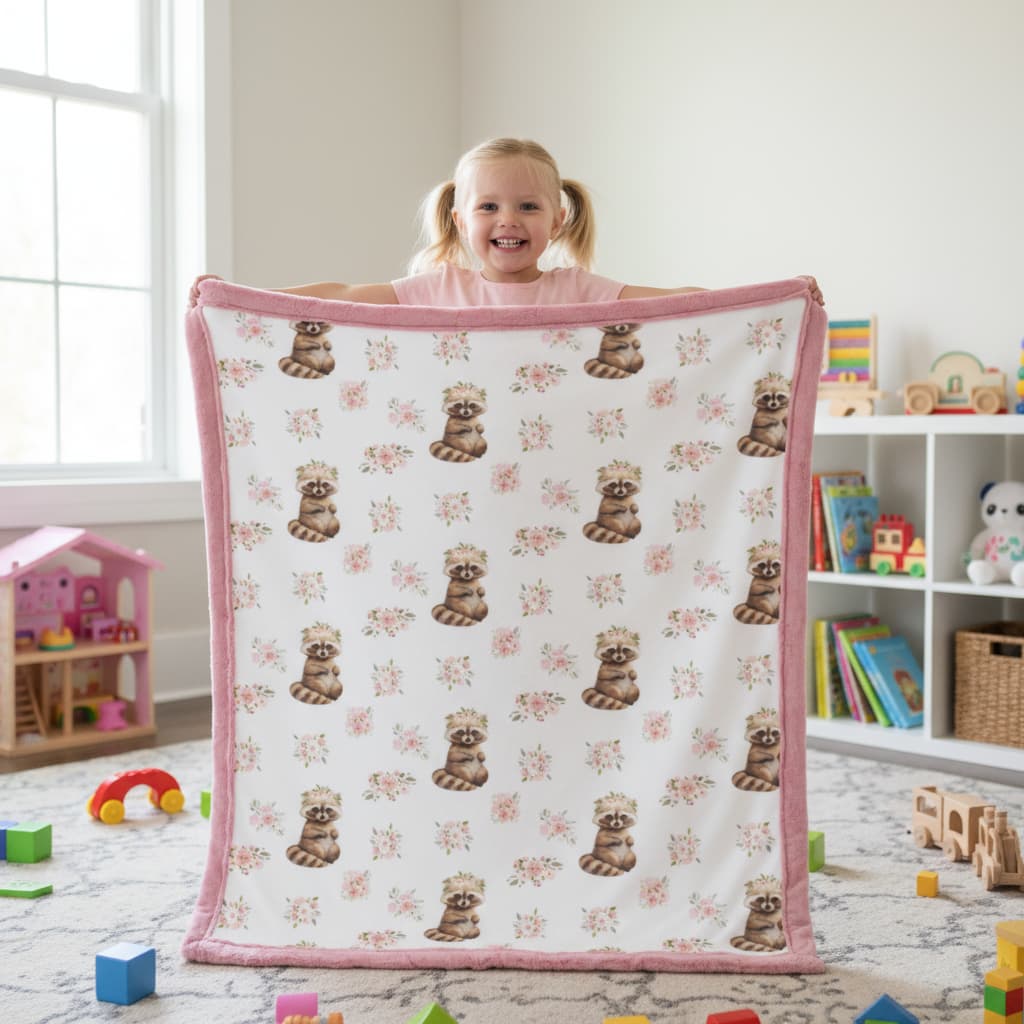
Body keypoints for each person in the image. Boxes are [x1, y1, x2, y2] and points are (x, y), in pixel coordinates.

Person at [190, 137, 823, 307]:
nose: (507, 220)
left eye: (527, 206)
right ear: (460, 219)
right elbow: (342, 297)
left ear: (557, 217)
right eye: (489, 207)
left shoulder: (578, 290)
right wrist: (239, 298)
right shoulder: (436, 291)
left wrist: (777, 298)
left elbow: (682, 303)